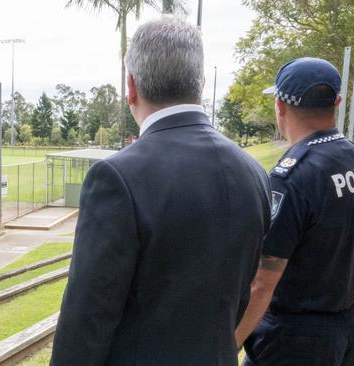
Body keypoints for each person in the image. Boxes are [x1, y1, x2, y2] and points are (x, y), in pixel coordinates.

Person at [50, 17, 271, 365]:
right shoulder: (254, 173)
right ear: (198, 83)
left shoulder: (116, 177)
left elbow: (87, 318)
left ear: (131, 86)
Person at [235, 57, 354, 365]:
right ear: (337, 103)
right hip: (346, 329)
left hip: (295, 340)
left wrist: (228, 343)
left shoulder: (293, 177)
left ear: (280, 106)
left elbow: (263, 282)